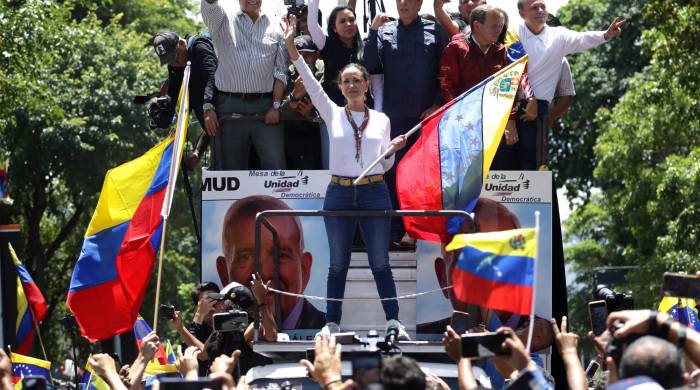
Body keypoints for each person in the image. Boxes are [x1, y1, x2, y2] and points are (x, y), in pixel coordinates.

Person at [285, 15, 410, 339]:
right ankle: (332, 322)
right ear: (340, 87)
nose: (352, 85)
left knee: (380, 262)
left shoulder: (382, 120)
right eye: (347, 81)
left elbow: (383, 166)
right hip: (339, 193)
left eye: (358, 80)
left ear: (367, 85)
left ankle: (393, 321)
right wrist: (290, 46)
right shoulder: (331, 112)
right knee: (338, 263)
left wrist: (394, 149)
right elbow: (309, 82)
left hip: (374, 193)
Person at [363, 0, 448, 245]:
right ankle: (394, 232)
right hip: (395, 118)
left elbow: (446, 71)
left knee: (422, 176)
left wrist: (437, 103)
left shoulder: (435, 31)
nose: (403, 3)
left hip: (426, 117)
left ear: (420, 3)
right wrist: (372, 31)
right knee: (393, 174)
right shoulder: (385, 30)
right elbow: (370, 65)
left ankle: (417, 231)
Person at [514, 0, 625, 169]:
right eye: (534, 7)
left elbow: (582, 39)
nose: (540, 10)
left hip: (539, 112)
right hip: (508, 108)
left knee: (535, 168)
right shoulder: (511, 33)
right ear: (522, 13)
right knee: (503, 169)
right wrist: (510, 116)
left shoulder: (559, 35)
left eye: (542, 6)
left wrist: (606, 34)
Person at [216, 195, 326, 331]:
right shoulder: (222, 332)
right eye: (245, 257)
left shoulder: (329, 331)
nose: (264, 273)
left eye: (280, 255)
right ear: (224, 273)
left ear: (304, 269)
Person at [201, 0, 288, 170]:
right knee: (231, 168)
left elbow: (281, 71)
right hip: (230, 106)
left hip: (266, 107)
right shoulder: (222, 20)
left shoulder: (278, 25)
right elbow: (209, 7)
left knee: (276, 165)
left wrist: (276, 106)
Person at [307, 0, 363, 169]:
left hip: (362, 116)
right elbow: (311, 24)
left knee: (359, 164)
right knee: (332, 166)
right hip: (333, 116)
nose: (348, 24)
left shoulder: (364, 48)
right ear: (333, 28)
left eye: (352, 20)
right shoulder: (326, 44)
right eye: (342, 21)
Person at [151, 31, 217, 170]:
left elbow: (213, 75)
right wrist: (163, 113)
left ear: (181, 43)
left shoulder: (199, 47)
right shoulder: (175, 67)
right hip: (215, 135)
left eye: (174, 56)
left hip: (231, 120)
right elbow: (173, 101)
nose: (173, 62)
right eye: (168, 60)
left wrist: (208, 106)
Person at [280, 35, 324, 169]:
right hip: (289, 128)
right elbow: (280, 112)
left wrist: (311, 113)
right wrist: (295, 96)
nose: (302, 60)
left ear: (316, 55)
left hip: (316, 129)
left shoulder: (322, 70)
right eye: (298, 55)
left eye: (307, 55)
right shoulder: (285, 71)